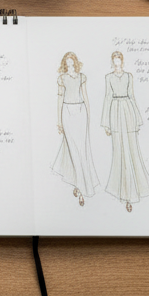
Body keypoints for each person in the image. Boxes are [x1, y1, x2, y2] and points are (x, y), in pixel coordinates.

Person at [101, 50, 149, 212]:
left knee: (132, 151)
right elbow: (107, 97)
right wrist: (106, 123)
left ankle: (135, 191)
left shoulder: (129, 76)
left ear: (122, 61)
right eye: (114, 60)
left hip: (128, 111)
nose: (117, 62)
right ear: (112, 62)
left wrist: (138, 119)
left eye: (119, 60)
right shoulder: (108, 77)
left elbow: (132, 96)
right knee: (119, 151)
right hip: (115, 113)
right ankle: (122, 192)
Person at [51, 51, 100, 206]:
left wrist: (89, 116)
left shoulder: (81, 77)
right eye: (67, 60)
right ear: (65, 62)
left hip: (81, 113)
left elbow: (85, 96)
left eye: (72, 59)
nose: (70, 62)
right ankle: (79, 186)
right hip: (67, 113)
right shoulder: (61, 78)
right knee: (73, 150)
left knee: (82, 150)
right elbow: (59, 99)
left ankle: (82, 185)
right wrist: (59, 121)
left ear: (75, 61)